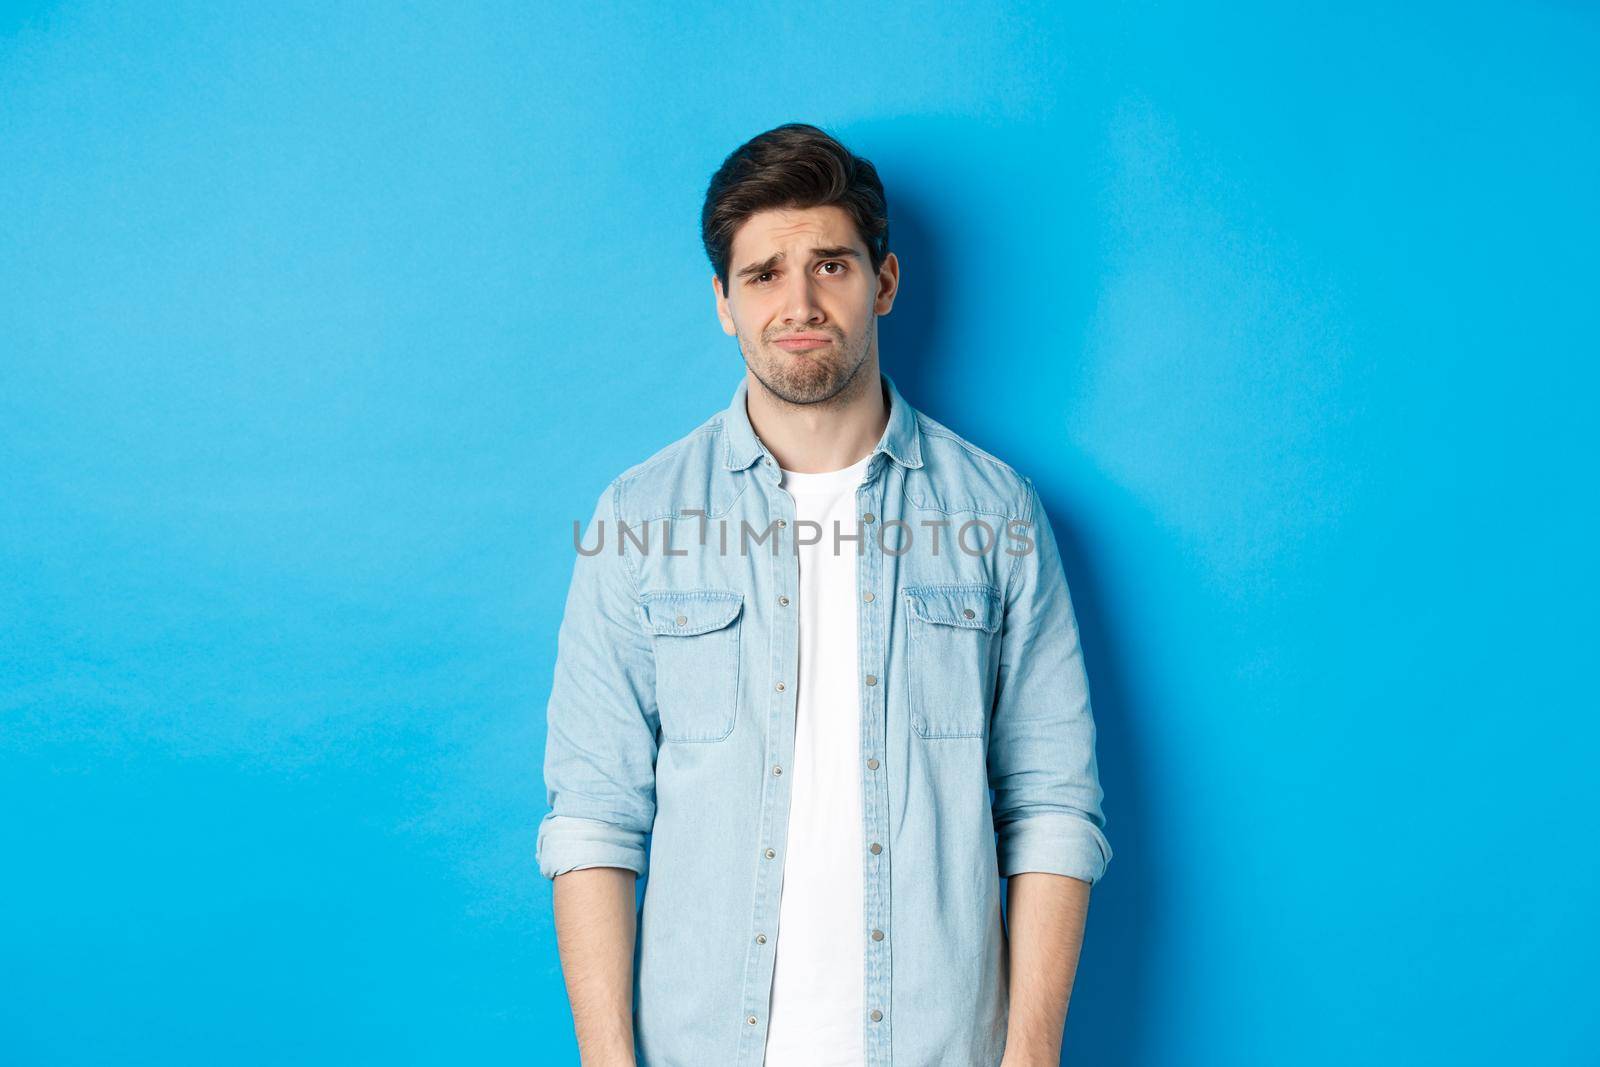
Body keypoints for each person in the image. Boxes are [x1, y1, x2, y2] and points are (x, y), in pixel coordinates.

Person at [536, 122, 1111, 1067]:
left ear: (884, 282)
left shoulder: (997, 512)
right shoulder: (638, 518)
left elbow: (1053, 803)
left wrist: (1033, 1054)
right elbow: (595, 815)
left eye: (830, 266)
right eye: (763, 274)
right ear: (723, 300)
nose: (797, 303)